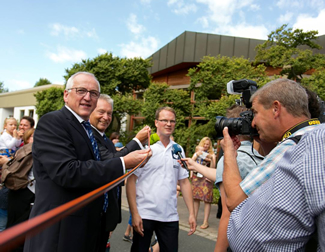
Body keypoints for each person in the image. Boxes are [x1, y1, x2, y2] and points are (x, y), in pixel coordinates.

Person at [23, 72, 151, 252]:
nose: (87, 97)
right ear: (66, 95)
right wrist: (124, 163)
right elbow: (68, 172)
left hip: (88, 230)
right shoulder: (53, 122)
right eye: (81, 90)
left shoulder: (87, 130)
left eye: (94, 93)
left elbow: (96, 172)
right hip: (59, 233)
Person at [221, 78, 324, 250]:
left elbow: (234, 201)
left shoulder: (294, 145)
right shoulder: (310, 140)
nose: (252, 123)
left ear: (276, 109)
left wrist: (229, 153)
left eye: (255, 113)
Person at [126, 107, 196, 252]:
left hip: (169, 216)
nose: (168, 124)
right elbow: (131, 181)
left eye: (172, 121)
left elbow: (184, 181)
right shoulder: (146, 148)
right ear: (156, 122)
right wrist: (134, 213)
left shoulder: (178, 149)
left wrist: (191, 213)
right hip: (144, 214)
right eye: (164, 120)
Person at [89, 94, 150, 252]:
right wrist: (136, 141)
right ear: (90, 111)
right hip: (91, 217)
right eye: (101, 112)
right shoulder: (89, 137)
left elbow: (118, 167)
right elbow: (112, 161)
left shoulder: (106, 139)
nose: (106, 117)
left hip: (105, 216)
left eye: (109, 113)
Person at [3, 128, 35, 252]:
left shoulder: (25, 150)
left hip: (23, 192)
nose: (35, 139)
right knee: (15, 230)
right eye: (32, 136)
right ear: (26, 139)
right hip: (21, 191)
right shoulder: (27, 150)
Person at [191, 137, 216, 229]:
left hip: (207, 178)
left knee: (207, 200)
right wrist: (197, 154)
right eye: (204, 144)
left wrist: (213, 159)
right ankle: (194, 218)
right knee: (196, 198)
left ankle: (205, 221)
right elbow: (191, 162)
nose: (205, 146)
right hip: (197, 177)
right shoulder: (198, 152)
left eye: (207, 144)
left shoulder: (212, 154)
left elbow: (213, 168)